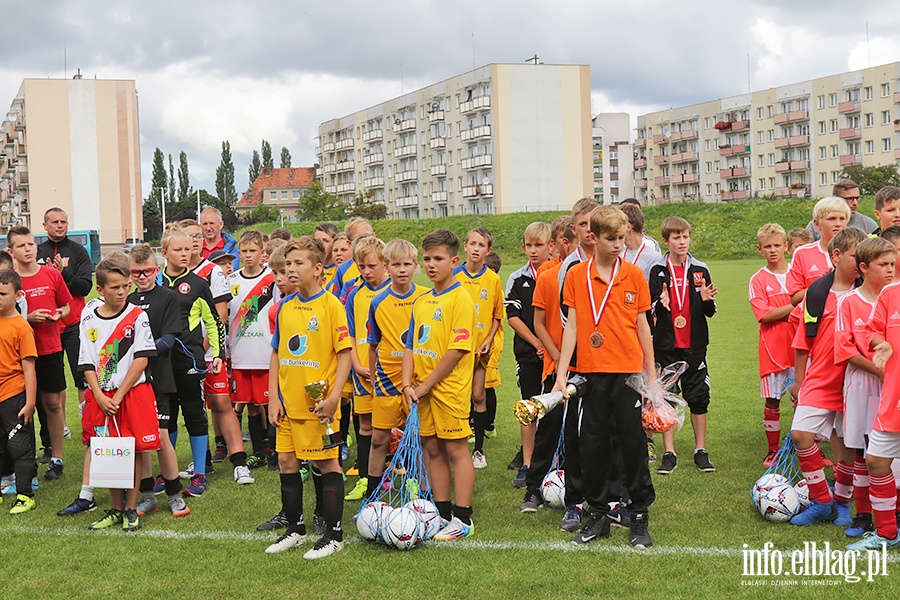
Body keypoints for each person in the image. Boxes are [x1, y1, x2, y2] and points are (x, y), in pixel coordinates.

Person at [553, 205, 657, 548]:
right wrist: (561, 372)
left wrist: (651, 375)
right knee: (592, 446)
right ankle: (598, 514)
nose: (618, 245)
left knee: (633, 445)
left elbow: (643, 327)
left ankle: (639, 514)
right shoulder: (575, 276)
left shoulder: (634, 276)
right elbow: (573, 327)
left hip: (628, 373)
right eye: (611, 239)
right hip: (592, 374)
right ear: (592, 237)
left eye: (622, 238)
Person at [267, 236, 351, 559]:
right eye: (287, 264)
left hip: (320, 407)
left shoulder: (332, 306)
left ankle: (333, 534)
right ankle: (295, 529)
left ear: (318, 269)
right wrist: (274, 397)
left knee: (326, 461)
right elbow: (276, 354)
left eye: (298, 263)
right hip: (288, 404)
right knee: (287, 462)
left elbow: (345, 354)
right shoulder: (286, 307)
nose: (290, 269)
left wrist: (333, 398)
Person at [789, 227, 867, 526]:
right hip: (820, 378)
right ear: (835, 256)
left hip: (854, 382)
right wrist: (798, 380)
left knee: (846, 445)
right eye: (854, 256)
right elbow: (802, 341)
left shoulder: (866, 292)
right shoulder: (817, 293)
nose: (860, 262)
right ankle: (821, 500)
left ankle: (842, 503)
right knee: (800, 434)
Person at [402, 229, 477, 540]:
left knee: (457, 449)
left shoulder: (461, 298)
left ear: (454, 261)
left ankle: (463, 519)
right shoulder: (422, 300)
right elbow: (410, 344)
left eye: (439, 259)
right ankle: (441, 513)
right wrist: (408, 383)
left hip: (448, 390)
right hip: (421, 390)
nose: (431, 265)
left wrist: (425, 386)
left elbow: (457, 350)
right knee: (432, 448)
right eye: (427, 259)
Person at [80, 257, 160, 532]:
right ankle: (115, 507)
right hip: (101, 394)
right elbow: (86, 361)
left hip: (132, 393)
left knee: (133, 449)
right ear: (100, 290)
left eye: (125, 286)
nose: (121, 291)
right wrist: (100, 395)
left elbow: (142, 359)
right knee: (106, 450)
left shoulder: (138, 316)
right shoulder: (89, 316)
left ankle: (131, 508)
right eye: (114, 287)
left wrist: (119, 394)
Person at [834, 237, 895, 537]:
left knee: (886, 452)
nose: (889, 270)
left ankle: (891, 512)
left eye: (892, 265)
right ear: (863, 267)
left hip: (891, 385)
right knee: (862, 450)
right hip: (863, 382)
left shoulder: (894, 298)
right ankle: (863, 515)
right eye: (883, 265)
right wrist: (879, 369)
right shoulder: (849, 301)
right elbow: (844, 349)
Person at [649, 216, 718, 475]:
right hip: (667, 346)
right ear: (666, 241)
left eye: (685, 237)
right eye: (676, 238)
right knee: (667, 399)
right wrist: (661, 302)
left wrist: (705, 300)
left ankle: (701, 450)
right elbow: (649, 310)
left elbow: (710, 311)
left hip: (695, 345)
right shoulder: (657, 271)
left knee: (699, 396)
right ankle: (670, 452)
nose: (682, 242)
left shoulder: (699, 269)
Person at [125, 245, 191, 517]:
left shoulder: (168, 297)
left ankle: (174, 493)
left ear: (157, 268)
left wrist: (143, 351)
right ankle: (147, 495)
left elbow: (170, 338)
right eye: (137, 272)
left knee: (162, 436)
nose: (142, 277)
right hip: (133, 381)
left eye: (148, 271)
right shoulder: (126, 299)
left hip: (160, 378)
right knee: (140, 440)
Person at [160, 226, 225, 497]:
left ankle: (199, 474)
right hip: (161, 363)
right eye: (178, 249)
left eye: (188, 249)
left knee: (195, 415)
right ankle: (168, 474)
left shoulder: (198, 283)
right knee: (167, 419)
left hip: (191, 361)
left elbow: (214, 321)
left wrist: (218, 355)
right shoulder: (156, 283)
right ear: (164, 253)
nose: (185, 254)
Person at [8, 226, 71, 481]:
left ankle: (56, 458)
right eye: (22, 246)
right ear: (11, 251)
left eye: (31, 244)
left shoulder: (52, 275)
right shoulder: (9, 280)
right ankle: (26, 461)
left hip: (49, 348)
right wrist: (28, 317)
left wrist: (58, 314)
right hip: (18, 354)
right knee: (23, 408)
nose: (28, 249)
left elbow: (66, 306)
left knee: (53, 403)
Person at [366, 239, 427, 496]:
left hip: (418, 380)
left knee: (424, 439)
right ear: (386, 267)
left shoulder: (426, 298)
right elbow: (372, 344)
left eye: (407, 264)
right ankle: (372, 492)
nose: (401, 270)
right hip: (386, 381)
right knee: (379, 439)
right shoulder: (377, 302)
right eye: (395, 264)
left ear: (415, 266)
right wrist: (372, 380)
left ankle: (425, 492)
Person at [522, 222, 575, 514]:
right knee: (548, 430)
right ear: (559, 244)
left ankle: (577, 492)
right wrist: (558, 360)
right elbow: (538, 323)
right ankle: (533, 489)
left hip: (587, 369)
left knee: (581, 433)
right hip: (556, 368)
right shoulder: (548, 276)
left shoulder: (590, 275)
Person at [847, 266, 900, 550]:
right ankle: (888, 534)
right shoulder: (890, 294)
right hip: (892, 398)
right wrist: (883, 344)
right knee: (877, 461)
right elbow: (872, 330)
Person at [227, 230, 281, 482]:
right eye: (244, 251)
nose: (248, 256)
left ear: (263, 253)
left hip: (264, 353)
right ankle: (258, 451)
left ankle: (274, 452)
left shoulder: (272, 280)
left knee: (268, 404)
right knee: (248, 405)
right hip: (240, 354)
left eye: (253, 251)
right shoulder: (231, 280)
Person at [37, 208, 93, 443]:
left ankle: (86, 422)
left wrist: (63, 275)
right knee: (54, 380)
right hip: (47, 328)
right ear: (45, 225)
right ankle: (61, 426)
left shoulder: (78, 251)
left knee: (81, 376)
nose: (60, 225)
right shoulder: (38, 252)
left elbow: (85, 287)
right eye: (55, 222)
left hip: (74, 325)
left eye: (64, 222)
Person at [343, 237, 391, 501]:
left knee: (395, 426)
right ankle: (364, 477)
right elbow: (349, 334)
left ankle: (399, 474)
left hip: (390, 372)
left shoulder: (394, 292)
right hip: (363, 370)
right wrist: (358, 365)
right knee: (365, 425)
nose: (366, 271)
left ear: (385, 264)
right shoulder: (354, 295)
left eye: (371, 265)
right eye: (361, 266)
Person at [504, 223, 551, 479]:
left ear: (550, 246)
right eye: (529, 245)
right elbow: (513, 316)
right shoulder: (517, 278)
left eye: (539, 245)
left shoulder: (558, 274)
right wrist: (537, 343)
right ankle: (528, 464)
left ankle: (553, 462)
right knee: (529, 408)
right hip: (529, 354)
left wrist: (551, 347)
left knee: (553, 411)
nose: (533, 250)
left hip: (554, 355)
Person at [455, 227, 504, 472]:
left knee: (478, 396)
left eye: (481, 245)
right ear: (465, 246)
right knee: (457, 398)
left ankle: (479, 450)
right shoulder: (454, 276)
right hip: (456, 349)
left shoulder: (493, 279)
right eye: (472, 243)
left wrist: (489, 338)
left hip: (480, 349)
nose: (476, 249)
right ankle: (457, 445)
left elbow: (497, 316)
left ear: (488, 250)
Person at [748, 224, 795, 467]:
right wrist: (796, 306)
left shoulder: (798, 274)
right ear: (760, 249)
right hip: (773, 350)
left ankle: (808, 449)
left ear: (786, 246)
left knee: (804, 402)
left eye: (777, 245)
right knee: (773, 400)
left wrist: (783, 312)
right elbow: (764, 316)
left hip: (800, 349)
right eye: (768, 246)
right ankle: (773, 449)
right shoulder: (757, 279)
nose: (773, 250)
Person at [0, 269, 38, 514]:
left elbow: (29, 369)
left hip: (14, 395)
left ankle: (25, 494)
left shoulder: (22, 328)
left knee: (19, 446)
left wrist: (31, 402)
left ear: (18, 295)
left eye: (3, 293)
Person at [806, 180, 878, 239]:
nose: (855, 203)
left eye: (857, 198)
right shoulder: (814, 226)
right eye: (849, 198)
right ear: (835, 198)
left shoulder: (869, 224)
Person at [483, 251, 504, 437]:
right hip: (479, 345)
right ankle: (476, 423)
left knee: (488, 386)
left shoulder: (495, 290)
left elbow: (497, 318)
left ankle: (490, 424)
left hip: (492, 345)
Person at [330, 217, 375, 301]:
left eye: (368, 236)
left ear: (375, 236)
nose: (366, 241)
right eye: (360, 238)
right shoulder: (343, 269)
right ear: (349, 243)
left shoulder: (387, 263)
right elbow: (337, 302)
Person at [199, 206, 240, 271]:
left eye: (212, 223)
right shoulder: (195, 248)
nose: (208, 228)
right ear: (200, 226)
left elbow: (231, 273)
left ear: (221, 224)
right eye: (205, 224)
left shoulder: (232, 249)